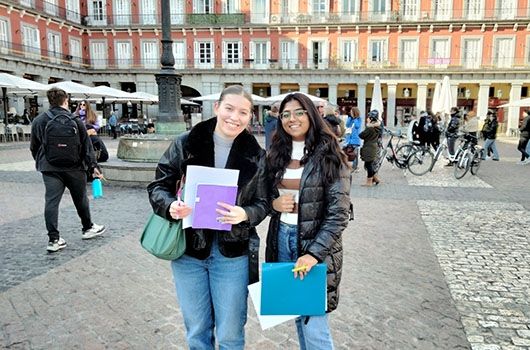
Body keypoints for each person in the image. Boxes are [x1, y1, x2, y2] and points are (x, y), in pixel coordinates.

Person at [147, 85, 269, 349]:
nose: (235, 117)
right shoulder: (186, 142)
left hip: (232, 254)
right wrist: (170, 206)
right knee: (197, 330)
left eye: (243, 112)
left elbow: (264, 202)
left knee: (230, 333)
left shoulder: (257, 155)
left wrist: (245, 213)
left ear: (250, 117)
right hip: (189, 251)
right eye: (229, 108)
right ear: (217, 108)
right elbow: (158, 186)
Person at [265, 92, 351, 349]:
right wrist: (274, 204)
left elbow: (339, 214)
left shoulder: (330, 154)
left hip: (315, 246)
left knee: (314, 323)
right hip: (282, 239)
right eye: (286, 114)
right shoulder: (276, 153)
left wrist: (313, 254)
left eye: (299, 112)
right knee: (297, 313)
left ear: (312, 115)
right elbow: (264, 196)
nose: (292, 118)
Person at [29, 88, 106, 253]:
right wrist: (93, 166)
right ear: (65, 101)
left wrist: (41, 161)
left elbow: (34, 146)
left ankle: (54, 239)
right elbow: (87, 146)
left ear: (50, 101)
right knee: (80, 199)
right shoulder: (76, 120)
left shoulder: (39, 120)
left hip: (50, 167)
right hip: (74, 167)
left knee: (51, 202)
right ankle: (87, 228)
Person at [360, 110, 383, 186]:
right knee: (369, 164)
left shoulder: (370, 128)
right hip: (373, 146)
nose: (367, 118)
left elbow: (361, 135)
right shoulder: (377, 127)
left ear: (371, 118)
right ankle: (375, 178)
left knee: (368, 164)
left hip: (368, 147)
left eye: (368, 117)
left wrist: (367, 126)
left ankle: (369, 182)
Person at [344, 106, 362, 170]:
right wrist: (350, 118)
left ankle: (355, 167)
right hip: (349, 140)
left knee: (355, 155)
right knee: (347, 153)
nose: (350, 113)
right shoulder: (350, 119)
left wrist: (355, 118)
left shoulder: (359, 119)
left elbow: (357, 126)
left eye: (352, 112)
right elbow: (347, 125)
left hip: (355, 140)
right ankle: (349, 166)